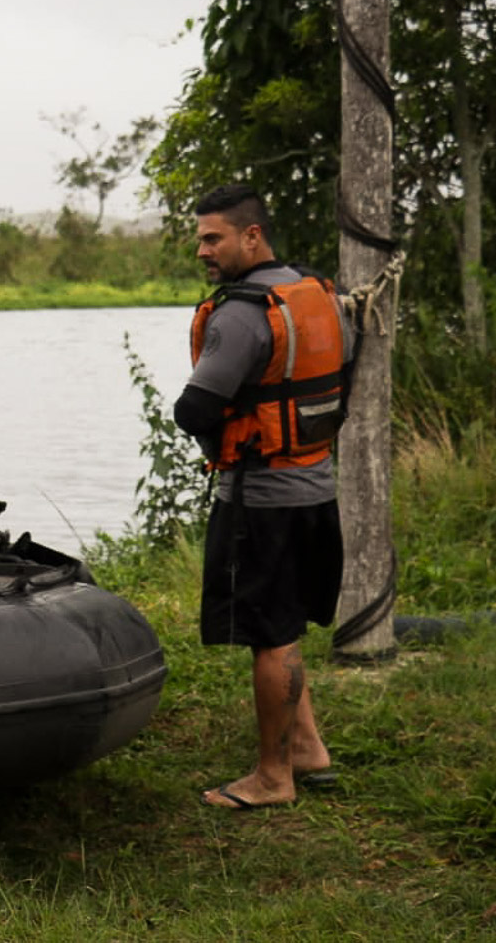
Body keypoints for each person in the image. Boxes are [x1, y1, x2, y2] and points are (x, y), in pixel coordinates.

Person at [172, 183, 348, 810]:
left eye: (212, 237)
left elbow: (194, 407)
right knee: (284, 625)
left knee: (270, 635)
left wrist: (214, 428)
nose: (202, 250)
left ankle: (273, 777)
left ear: (251, 236)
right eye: (200, 238)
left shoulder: (243, 314)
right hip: (316, 488)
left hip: (261, 500)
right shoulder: (316, 296)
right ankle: (307, 749)